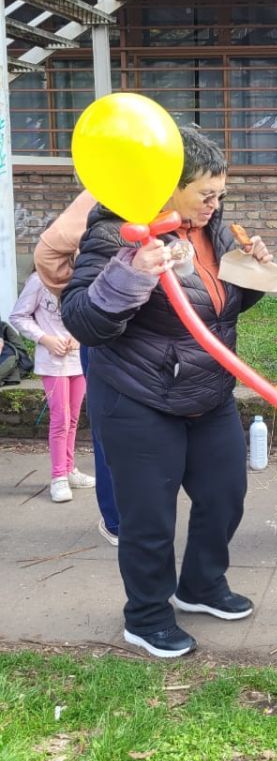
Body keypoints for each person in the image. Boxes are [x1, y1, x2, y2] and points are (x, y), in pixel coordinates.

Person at [61, 127, 272, 659]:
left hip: (208, 392)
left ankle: (200, 586)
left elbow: (217, 309)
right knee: (149, 517)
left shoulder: (214, 228)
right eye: (206, 194)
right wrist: (129, 275)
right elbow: (83, 319)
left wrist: (251, 274)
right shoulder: (115, 235)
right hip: (140, 398)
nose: (215, 204)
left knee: (225, 495)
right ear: (168, 186)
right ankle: (147, 616)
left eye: (220, 194)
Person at [34, 189, 120, 545]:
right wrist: (81, 303)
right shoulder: (104, 192)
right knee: (110, 428)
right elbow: (48, 254)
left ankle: (124, 521)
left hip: (128, 337)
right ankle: (118, 521)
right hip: (109, 339)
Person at [9, 273, 94, 503]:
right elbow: (18, 316)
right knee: (61, 419)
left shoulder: (82, 276)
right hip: (52, 362)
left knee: (74, 418)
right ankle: (58, 477)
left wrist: (80, 336)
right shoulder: (39, 280)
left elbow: (89, 315)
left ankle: (68, 470)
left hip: (78, 360)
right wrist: (46, 339)